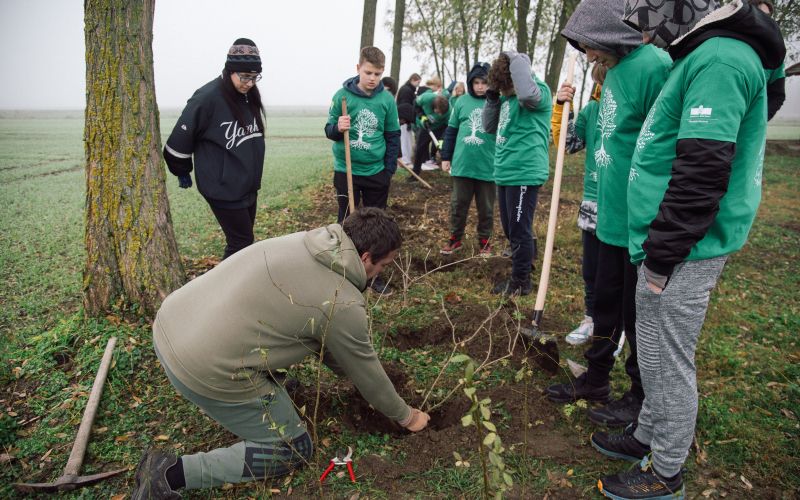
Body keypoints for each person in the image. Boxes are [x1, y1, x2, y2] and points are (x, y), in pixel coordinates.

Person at [591, 1, 784, 498]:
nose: (646, 30)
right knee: (651, 346)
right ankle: (646, 434)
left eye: (649, 14)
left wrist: (664, 253)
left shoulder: (721, 60)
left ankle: (666, 470)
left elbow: (703, 167)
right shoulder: (701, 53)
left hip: (684, 246)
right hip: (661, 238)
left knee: (669, 358)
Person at [131, 208, 431, 498]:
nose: (381, 273)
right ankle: (170, 474)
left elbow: (332, 348)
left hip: (172, 322)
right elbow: (366, 372)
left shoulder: (307, 242)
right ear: (365, 258)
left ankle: (267, 388)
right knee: (291, 449)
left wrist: (348, 365)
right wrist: (407, 417)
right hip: (200, 367)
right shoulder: (343, 302)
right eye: (384, 265)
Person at [544, 0, 672, 432]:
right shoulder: (613, 72)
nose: (587, 56)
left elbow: (668, 142)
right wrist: (562, 108)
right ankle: (597, 378)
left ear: (612, 32)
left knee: (637, 317)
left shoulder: (654, 67)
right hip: (607, 215)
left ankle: (639, 395)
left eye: (590, 46)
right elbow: (583, 138)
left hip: (638, 219)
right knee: (603, 304)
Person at [163, 38, 266, 260]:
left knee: (243, 243)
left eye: (254, 77)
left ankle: (237, 280)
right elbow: (179, 138)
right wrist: (181, 169)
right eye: (244, 77)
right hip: (223, 187)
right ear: (230, 70)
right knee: (241, 242)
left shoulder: (248, 97)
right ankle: (225, 282)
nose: (249, 83)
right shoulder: (208, 97)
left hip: (247, 185)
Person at [324, 47, 400, 294]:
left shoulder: (386, 100)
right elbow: (328, 130)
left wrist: (388, 170)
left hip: (376, 172)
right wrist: (338, 127)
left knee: (377, 223)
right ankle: (345, 268)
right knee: (347, 219)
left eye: (377, 74)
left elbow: (393, 135)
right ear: (358, 69)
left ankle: (373, 274)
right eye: (368, 72)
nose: (373, 78)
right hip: (346, 170)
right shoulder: (342, 97)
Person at [482, 51, 552, 297]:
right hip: (505, 171)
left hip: (524, 171)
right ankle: (527, 260)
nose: (504, 92)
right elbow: (488, 127)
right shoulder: (506, 100)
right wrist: (492, 97)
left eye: (506, 87)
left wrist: (517, 59)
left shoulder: (538, 92)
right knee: (512, 229)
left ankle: (521, 281)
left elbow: (526, 94)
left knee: (519, 229)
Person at [550, 63, 607, 345]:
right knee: (591, 269)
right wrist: (563, 106)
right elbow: (568, 143)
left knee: (617, 272)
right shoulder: (593, 110)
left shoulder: (637, 108)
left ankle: (615, 326)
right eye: (602, 81)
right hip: (593, 202)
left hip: (624, 204)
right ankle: (591, 318)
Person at [439, 63, 496, 256]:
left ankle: (485, 241)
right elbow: (451, 131)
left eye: (484, 83)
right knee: (458, 205)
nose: (480, 87)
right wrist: (446, 156)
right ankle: (455, 239)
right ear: (470, 83)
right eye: (476, 82)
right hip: (463, 164)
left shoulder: (497, 102)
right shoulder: (461, 102)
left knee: (486, 208)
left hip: (488, 165)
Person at [749, 0, 786, 120]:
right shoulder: (729, 43)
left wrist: (760, 120)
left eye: (768, 16)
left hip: (752, 128)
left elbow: (777, 95)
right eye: (760, 14)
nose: (765, 19)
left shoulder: (775, 55)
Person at [413, 77, 450, 175]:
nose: (440, 115)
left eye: (442, 113)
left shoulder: (449, 112)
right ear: (433, 106)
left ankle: (451, 169)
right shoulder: (426, 98)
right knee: (420, 149)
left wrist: (442, 139)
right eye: (438, 112)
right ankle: (415, 172)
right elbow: (415, 105)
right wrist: (422, 117)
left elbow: (448, 128)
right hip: (426, 127)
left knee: (444, 148)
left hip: (440, 127)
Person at [397, 73, 422, 165]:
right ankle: (404, 160)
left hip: (406, 119)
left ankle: (406, 159)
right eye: (418, 82)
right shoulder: (406, 90)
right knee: (405, 140)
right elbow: (405, 107)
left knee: (407, 140)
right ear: (412, 80)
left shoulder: (408, 90)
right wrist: (408, 119)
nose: (418, 85)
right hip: (404, 119)